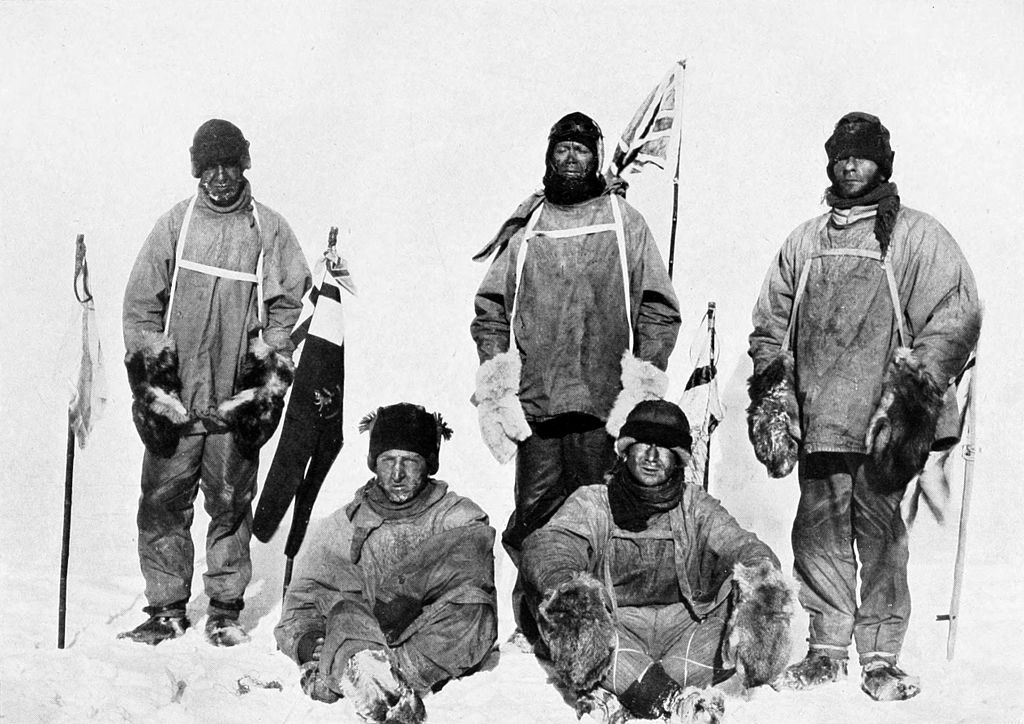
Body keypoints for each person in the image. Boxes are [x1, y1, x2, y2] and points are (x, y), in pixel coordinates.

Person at [746, 112, 981, 701]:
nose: (850, 165)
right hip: (821, 418)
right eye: (841, 156)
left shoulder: (917, 236)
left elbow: (956, 314)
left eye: (862, 156)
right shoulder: (806, 240)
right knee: (817, 536)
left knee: (880, 537)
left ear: (883, 163)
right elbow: (770, 322)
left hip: (882, 426)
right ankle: (827, 649)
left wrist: (912, 392)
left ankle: (881, 657)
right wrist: (775, 387)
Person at [471, 111, 681, 637]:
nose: (571, 158)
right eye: (562, 148)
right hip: (539, 403)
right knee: (536, 516)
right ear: (549, 155)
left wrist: (645, 381)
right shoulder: (529, 225)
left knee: (601, 512)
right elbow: (491, 308)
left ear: (596, 157)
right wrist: (498, 377)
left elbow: (658, 305)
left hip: (604, 406)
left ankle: (600, 619)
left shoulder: (622, 219)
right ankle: (537, 621)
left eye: (581, 149)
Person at [120, 119, 311, 646]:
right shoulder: (175, 226)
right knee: (162, 502)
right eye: (211, 167)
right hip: (178, 402)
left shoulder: (267, 229)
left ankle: (225, 608)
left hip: (231, 402)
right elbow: (140, 306)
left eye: (230, 165)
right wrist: (154, 385)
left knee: (229, 502)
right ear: (197, 171)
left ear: (244, 165)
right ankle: (165, 608)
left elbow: (288, 303)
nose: (222, 178)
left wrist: (263, 373)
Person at [521, 400, 795, 723]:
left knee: (737, 605)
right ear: (625, 450)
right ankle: (668, 698)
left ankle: (627, 690)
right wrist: (568, 593)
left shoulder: (694, 504)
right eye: (643, 444)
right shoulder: (595, 501)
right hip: (617, 630)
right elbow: (551, 545)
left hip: (684, 633)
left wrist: (762, 589)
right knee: (583, 630)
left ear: (677, 458)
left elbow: (741, 544)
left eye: (664, 447)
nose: (652, 456)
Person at [275, 403, 498, 723]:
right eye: (388, 460)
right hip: (361, 633)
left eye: (410, 461)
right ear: (373, 464)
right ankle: (370, 678)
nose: (397, 474)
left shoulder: (457, 516)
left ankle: (371, 678)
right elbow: (300, 604)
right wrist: (309, 642)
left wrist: (399, 597)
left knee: (475, 613)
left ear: (429, 465)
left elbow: (472, 581)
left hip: (426, 639)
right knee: (344, 613)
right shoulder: (342, 525)